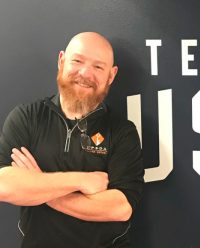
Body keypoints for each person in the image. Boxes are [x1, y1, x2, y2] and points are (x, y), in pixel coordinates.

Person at [0, 32, 144, 248]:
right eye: (77, 61)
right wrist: (80, 181)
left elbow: (119, 208)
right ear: (61, 60)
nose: (85, 73)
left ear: (111, 76)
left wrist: (39, 186)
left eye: (98, 67)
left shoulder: (122, 131)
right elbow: (5, 185)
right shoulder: (27, 117)